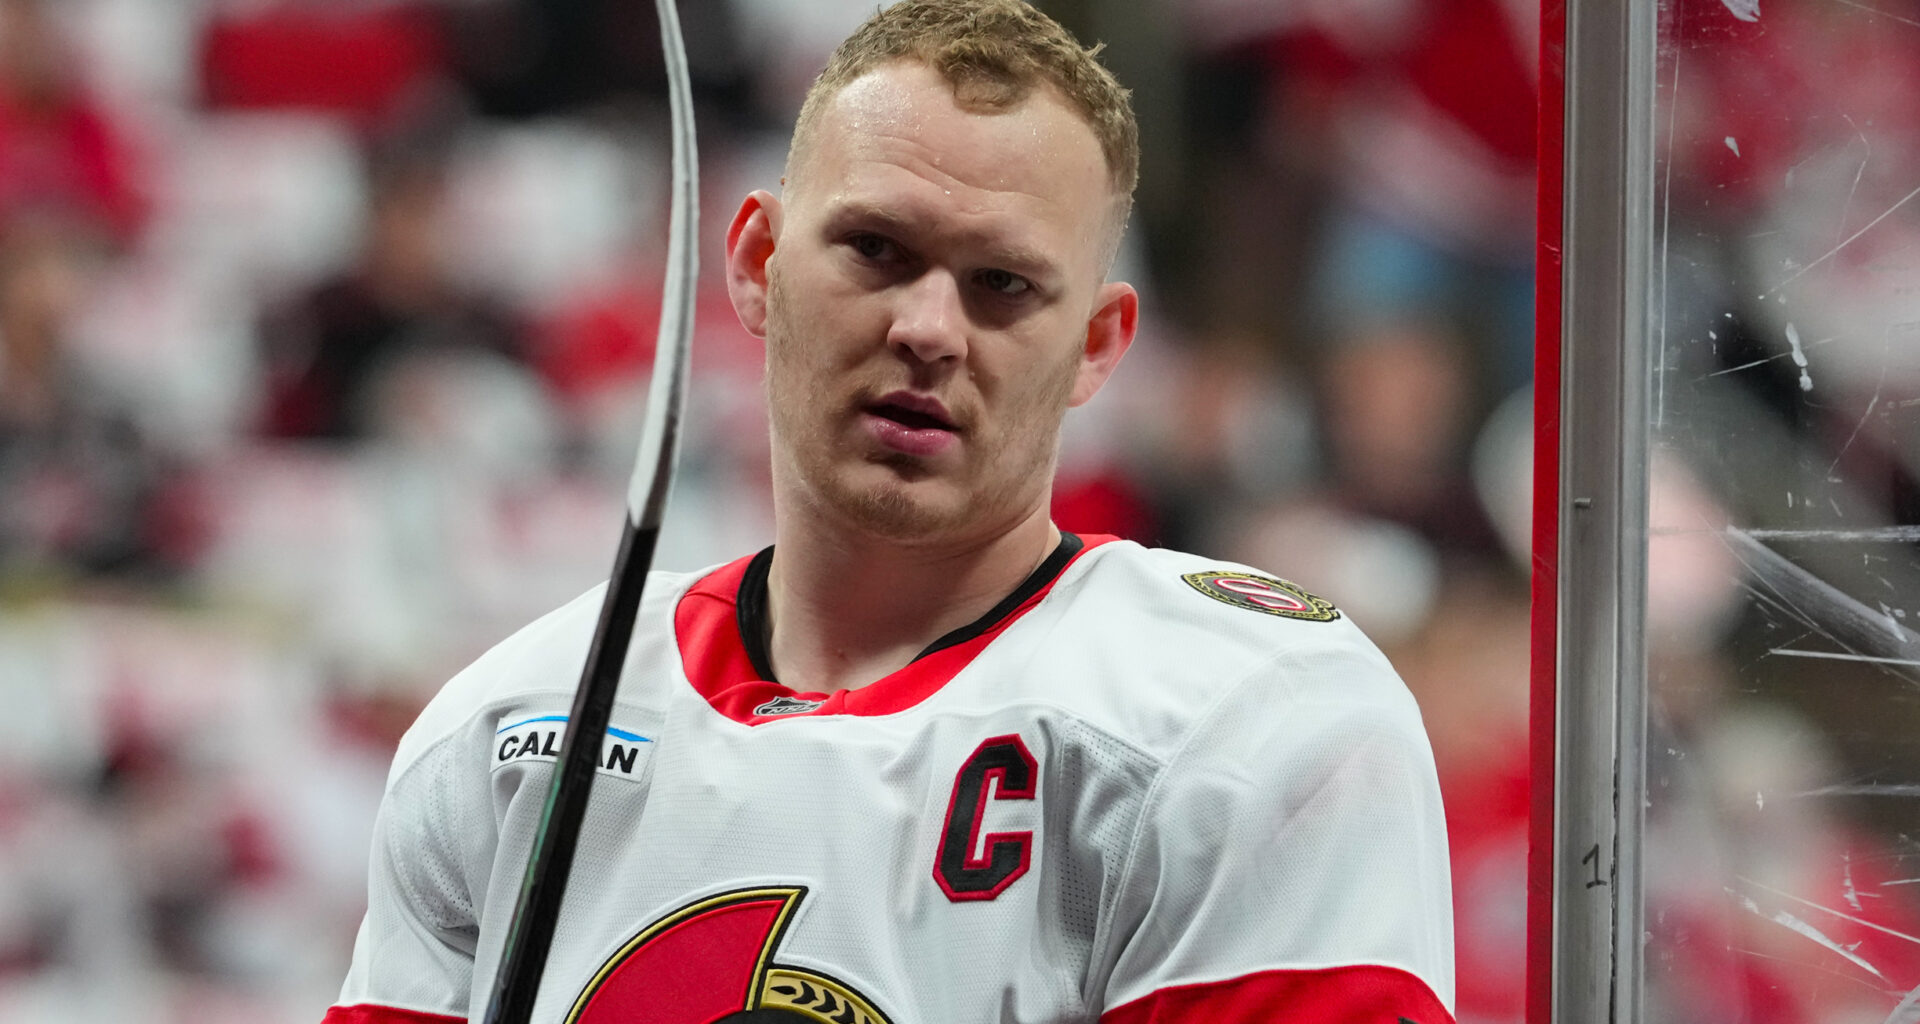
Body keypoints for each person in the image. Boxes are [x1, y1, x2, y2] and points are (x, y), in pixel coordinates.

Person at [324, 2, 1454, 1021]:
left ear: (1099, 346)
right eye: (877, 249)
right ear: (760, 260)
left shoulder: (1245, 717)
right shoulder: (512, 729)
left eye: (1002, 283)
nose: (929, 326)